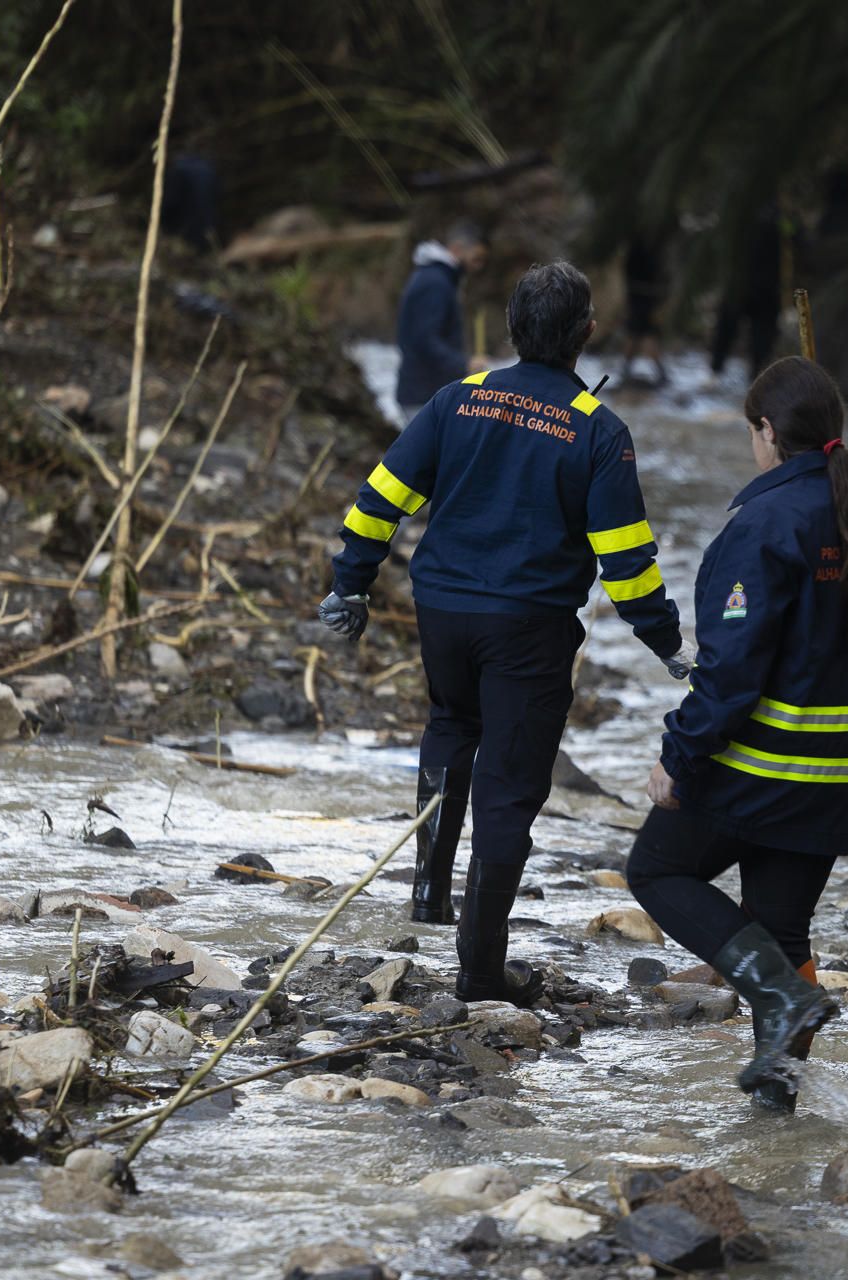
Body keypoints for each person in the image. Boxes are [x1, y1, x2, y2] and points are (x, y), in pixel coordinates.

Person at [320, 261, 692, 1006]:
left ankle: (429, 891)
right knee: (511, 785)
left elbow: (381, 495)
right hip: (528, 627)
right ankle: (481, 972)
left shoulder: (456, 400)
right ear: (587, 333)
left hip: (445, 610)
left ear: (512, 330)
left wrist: (350, 583)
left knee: (451, 724)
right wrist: (669, 644)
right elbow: (625, 560)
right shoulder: (598, 430)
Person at [627, 357, 848, 1108]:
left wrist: (679, 756)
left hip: (762, 770)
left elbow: (729, 674)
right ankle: (776, 1103)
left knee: (657, 871)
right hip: (841, 782)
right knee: (782, 928)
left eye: (752, 433)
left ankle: (777, 996)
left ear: (767, 432)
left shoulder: (764, 523)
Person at [393, 220, 487, 425]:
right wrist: (464, 364)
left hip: (426, 392)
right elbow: (424, 339)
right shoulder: (435, 282)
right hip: (422, 395)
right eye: (476, 258)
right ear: (457, 248)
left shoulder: (435, 278)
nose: (477, 267)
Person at [709, 201, 783, 378]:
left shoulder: (741, 218)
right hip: (763, 288)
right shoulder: (777, 219)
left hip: (748, 287)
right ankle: (753, 372)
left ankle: (719, 370)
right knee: (755, 334)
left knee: (730, 329)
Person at [620, 232, 670, 388]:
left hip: (642, 298)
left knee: (641, 335)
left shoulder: (646, 244)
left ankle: (628, 370)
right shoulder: (643, 246)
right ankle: (657, 372)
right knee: (644, 335)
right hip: (642, 298)